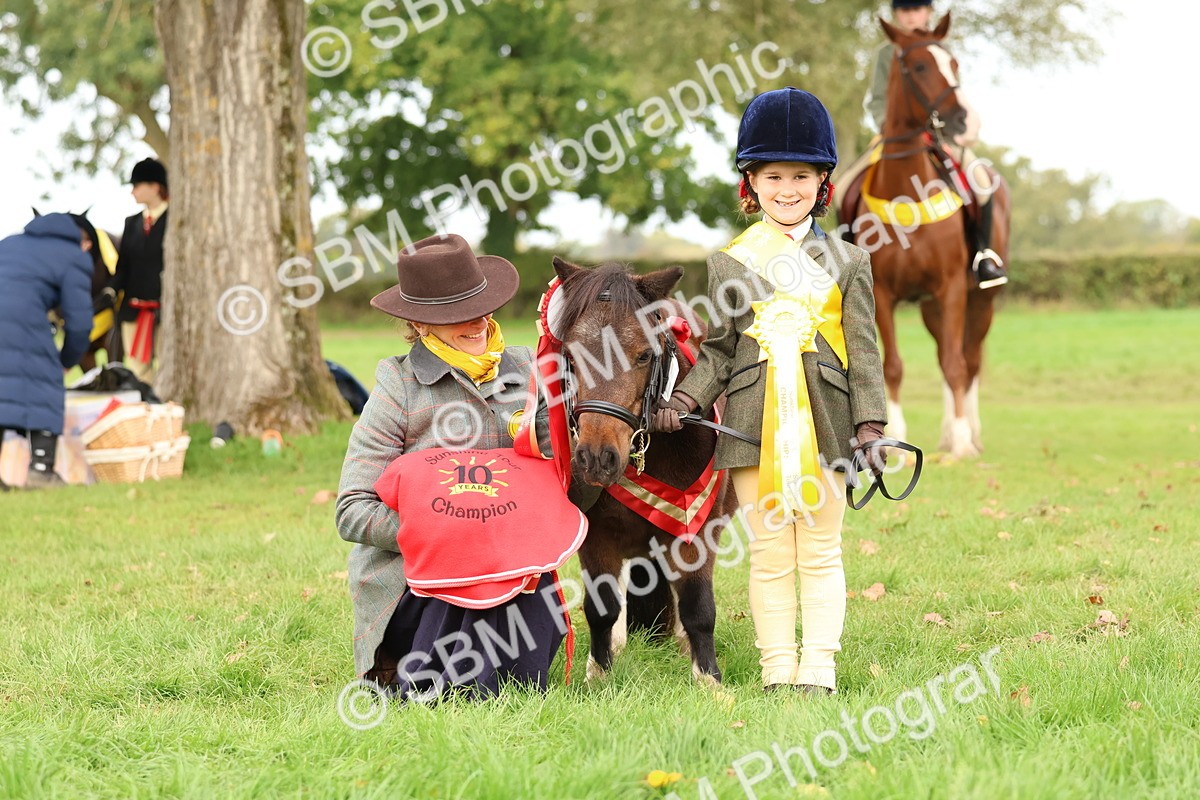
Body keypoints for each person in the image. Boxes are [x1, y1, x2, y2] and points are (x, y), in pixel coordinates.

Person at [653, 88, 888, 695]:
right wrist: (686, 400)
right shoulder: (731, 261)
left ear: (822, 182)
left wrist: (871, 425)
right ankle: (778, 669)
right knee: (768, 552)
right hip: (753, 425)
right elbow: (720, 350)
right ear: (750, 184)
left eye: (801, 176)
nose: (788, 189)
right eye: (774, 176)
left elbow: (864, 349)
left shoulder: (850, 261)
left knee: (820, 548)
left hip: (830, 424)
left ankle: (821, 667)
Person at [335, 233, 568, 700]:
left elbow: (563, 478)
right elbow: (351, 510)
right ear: (420, 324)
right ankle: (405, 665)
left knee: (516, 642)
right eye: (456, 314)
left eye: (482, 305)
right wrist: (446, 530)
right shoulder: (397, 383)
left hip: (511, 565)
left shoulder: (530, 370)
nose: (479, 321)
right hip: (421, 577)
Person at [850, 0, 1007, 289]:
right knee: (843, 189)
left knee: (982, 182)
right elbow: (876, 99)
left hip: (941, 137)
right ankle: (849, 264)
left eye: (917, 9)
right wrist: (886, 125)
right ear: (896, 15)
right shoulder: (887, 53)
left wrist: (955, 127)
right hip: (893, 137)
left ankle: (982, 254)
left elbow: (951, 97)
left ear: (928, 12)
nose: (911, 16)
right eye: (904, 11)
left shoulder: (941, 50)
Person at [0, 213, 95, 490]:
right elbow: (79, 323)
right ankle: (41, 471)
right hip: (23, 321)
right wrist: (67, 360)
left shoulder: (9, 243)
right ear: (81, 238)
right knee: (42, 380)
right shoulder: (72, 256)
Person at [96, 157, 169, 384]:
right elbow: (123, 267)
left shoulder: (176, 219)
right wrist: (110, 290)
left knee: (168, 366)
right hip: (133, 311)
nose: (133, 192)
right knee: (138, 371)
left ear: (155, 187)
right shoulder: (131, 223)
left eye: (137, 186)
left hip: (165, 310)